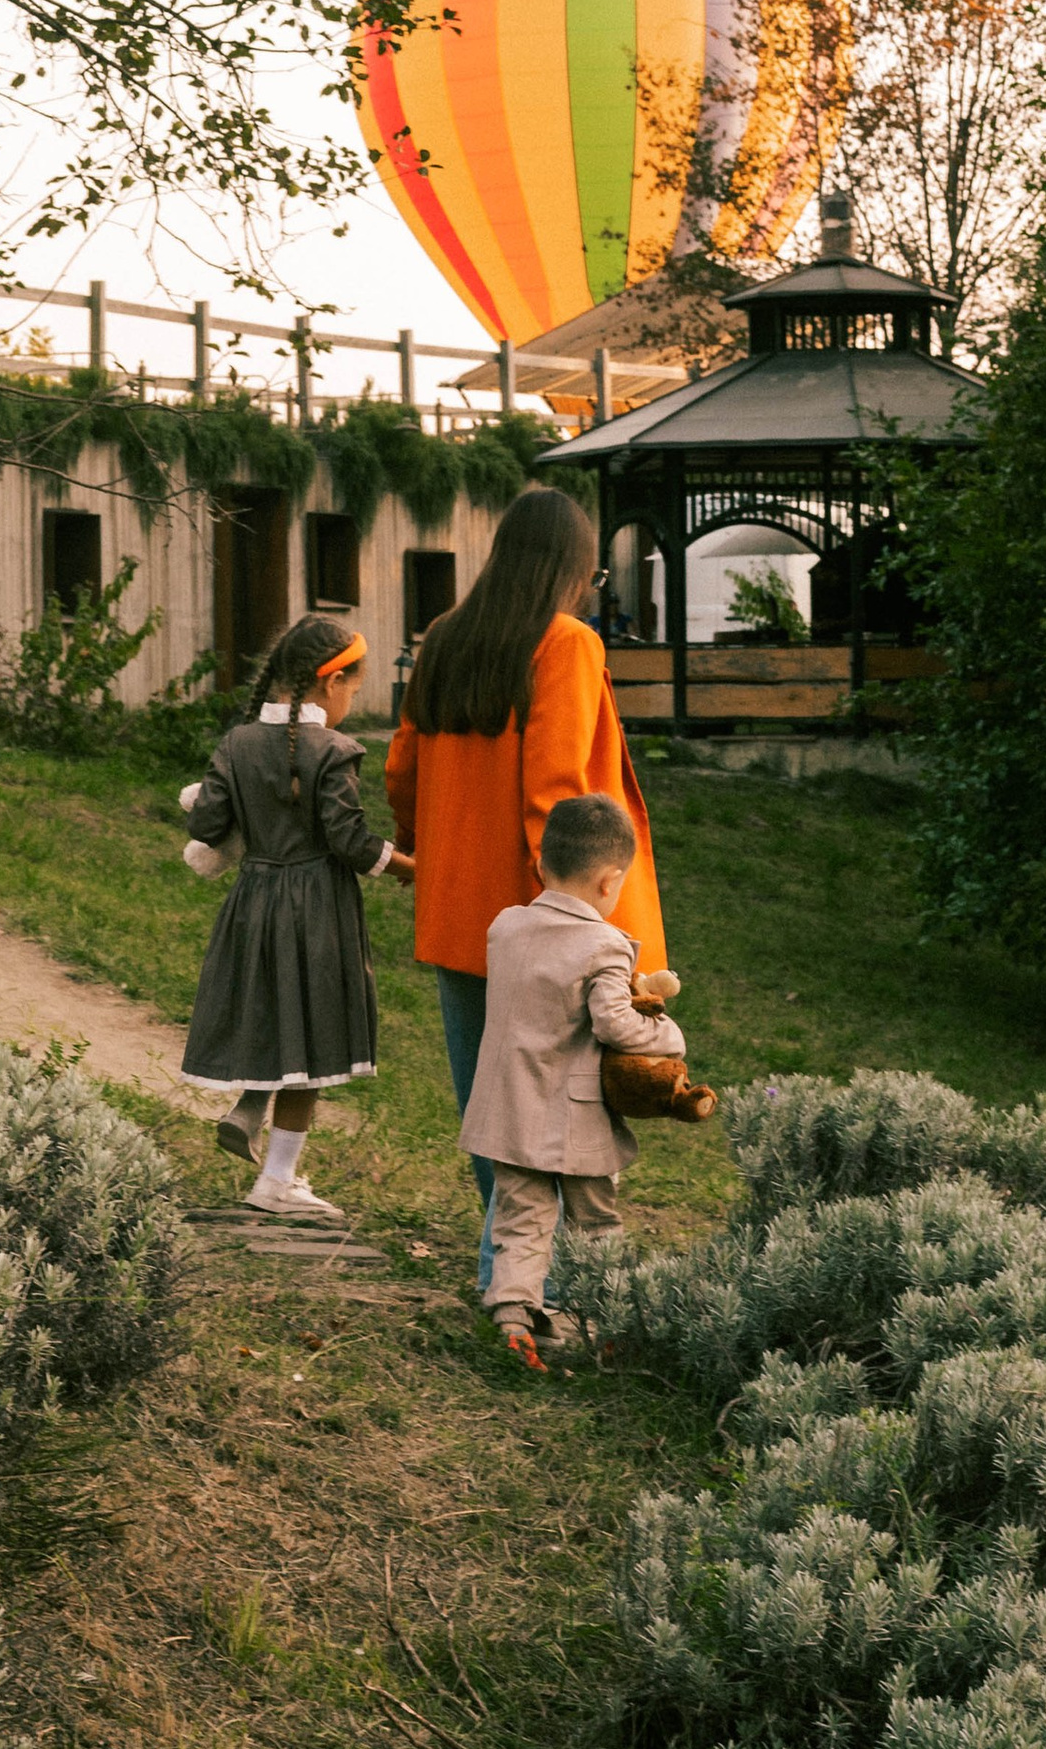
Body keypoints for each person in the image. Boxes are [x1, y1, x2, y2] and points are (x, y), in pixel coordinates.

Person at [385, 482, 665, 1291]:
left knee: (490, 1107)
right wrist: (578, 917)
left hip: (459, 914)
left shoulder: (444, 637)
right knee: (561, 1111)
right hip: (543, 920)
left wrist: (425, 850)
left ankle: (507, 1274)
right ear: (572, 568)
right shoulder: (564, 643)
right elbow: (558, 793)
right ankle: (543, 1287)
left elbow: (402, 768)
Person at [178, 615, 413, 1219]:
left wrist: (209, 799)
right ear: (332, 683)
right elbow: (349, 840)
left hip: (254, 901)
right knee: (313, 1033)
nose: (351, 702)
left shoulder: (236, 744)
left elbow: (207, 823)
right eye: (354, 689)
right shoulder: (334, 751)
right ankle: (277, 1180)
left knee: (274, 1011)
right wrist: (411, 867)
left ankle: (251, 1108)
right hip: (317, 910)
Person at [463, 791, 684, 1365]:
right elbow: (615, 1024)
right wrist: (668, 1035)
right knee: (595, 1222)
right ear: (611, 882)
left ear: (541, 865)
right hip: (574, 1117)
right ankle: (611, 1324)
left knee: (521, 1219)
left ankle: (514, 1317)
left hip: (509, 1110)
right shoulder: (604, 944)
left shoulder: (506, 926)